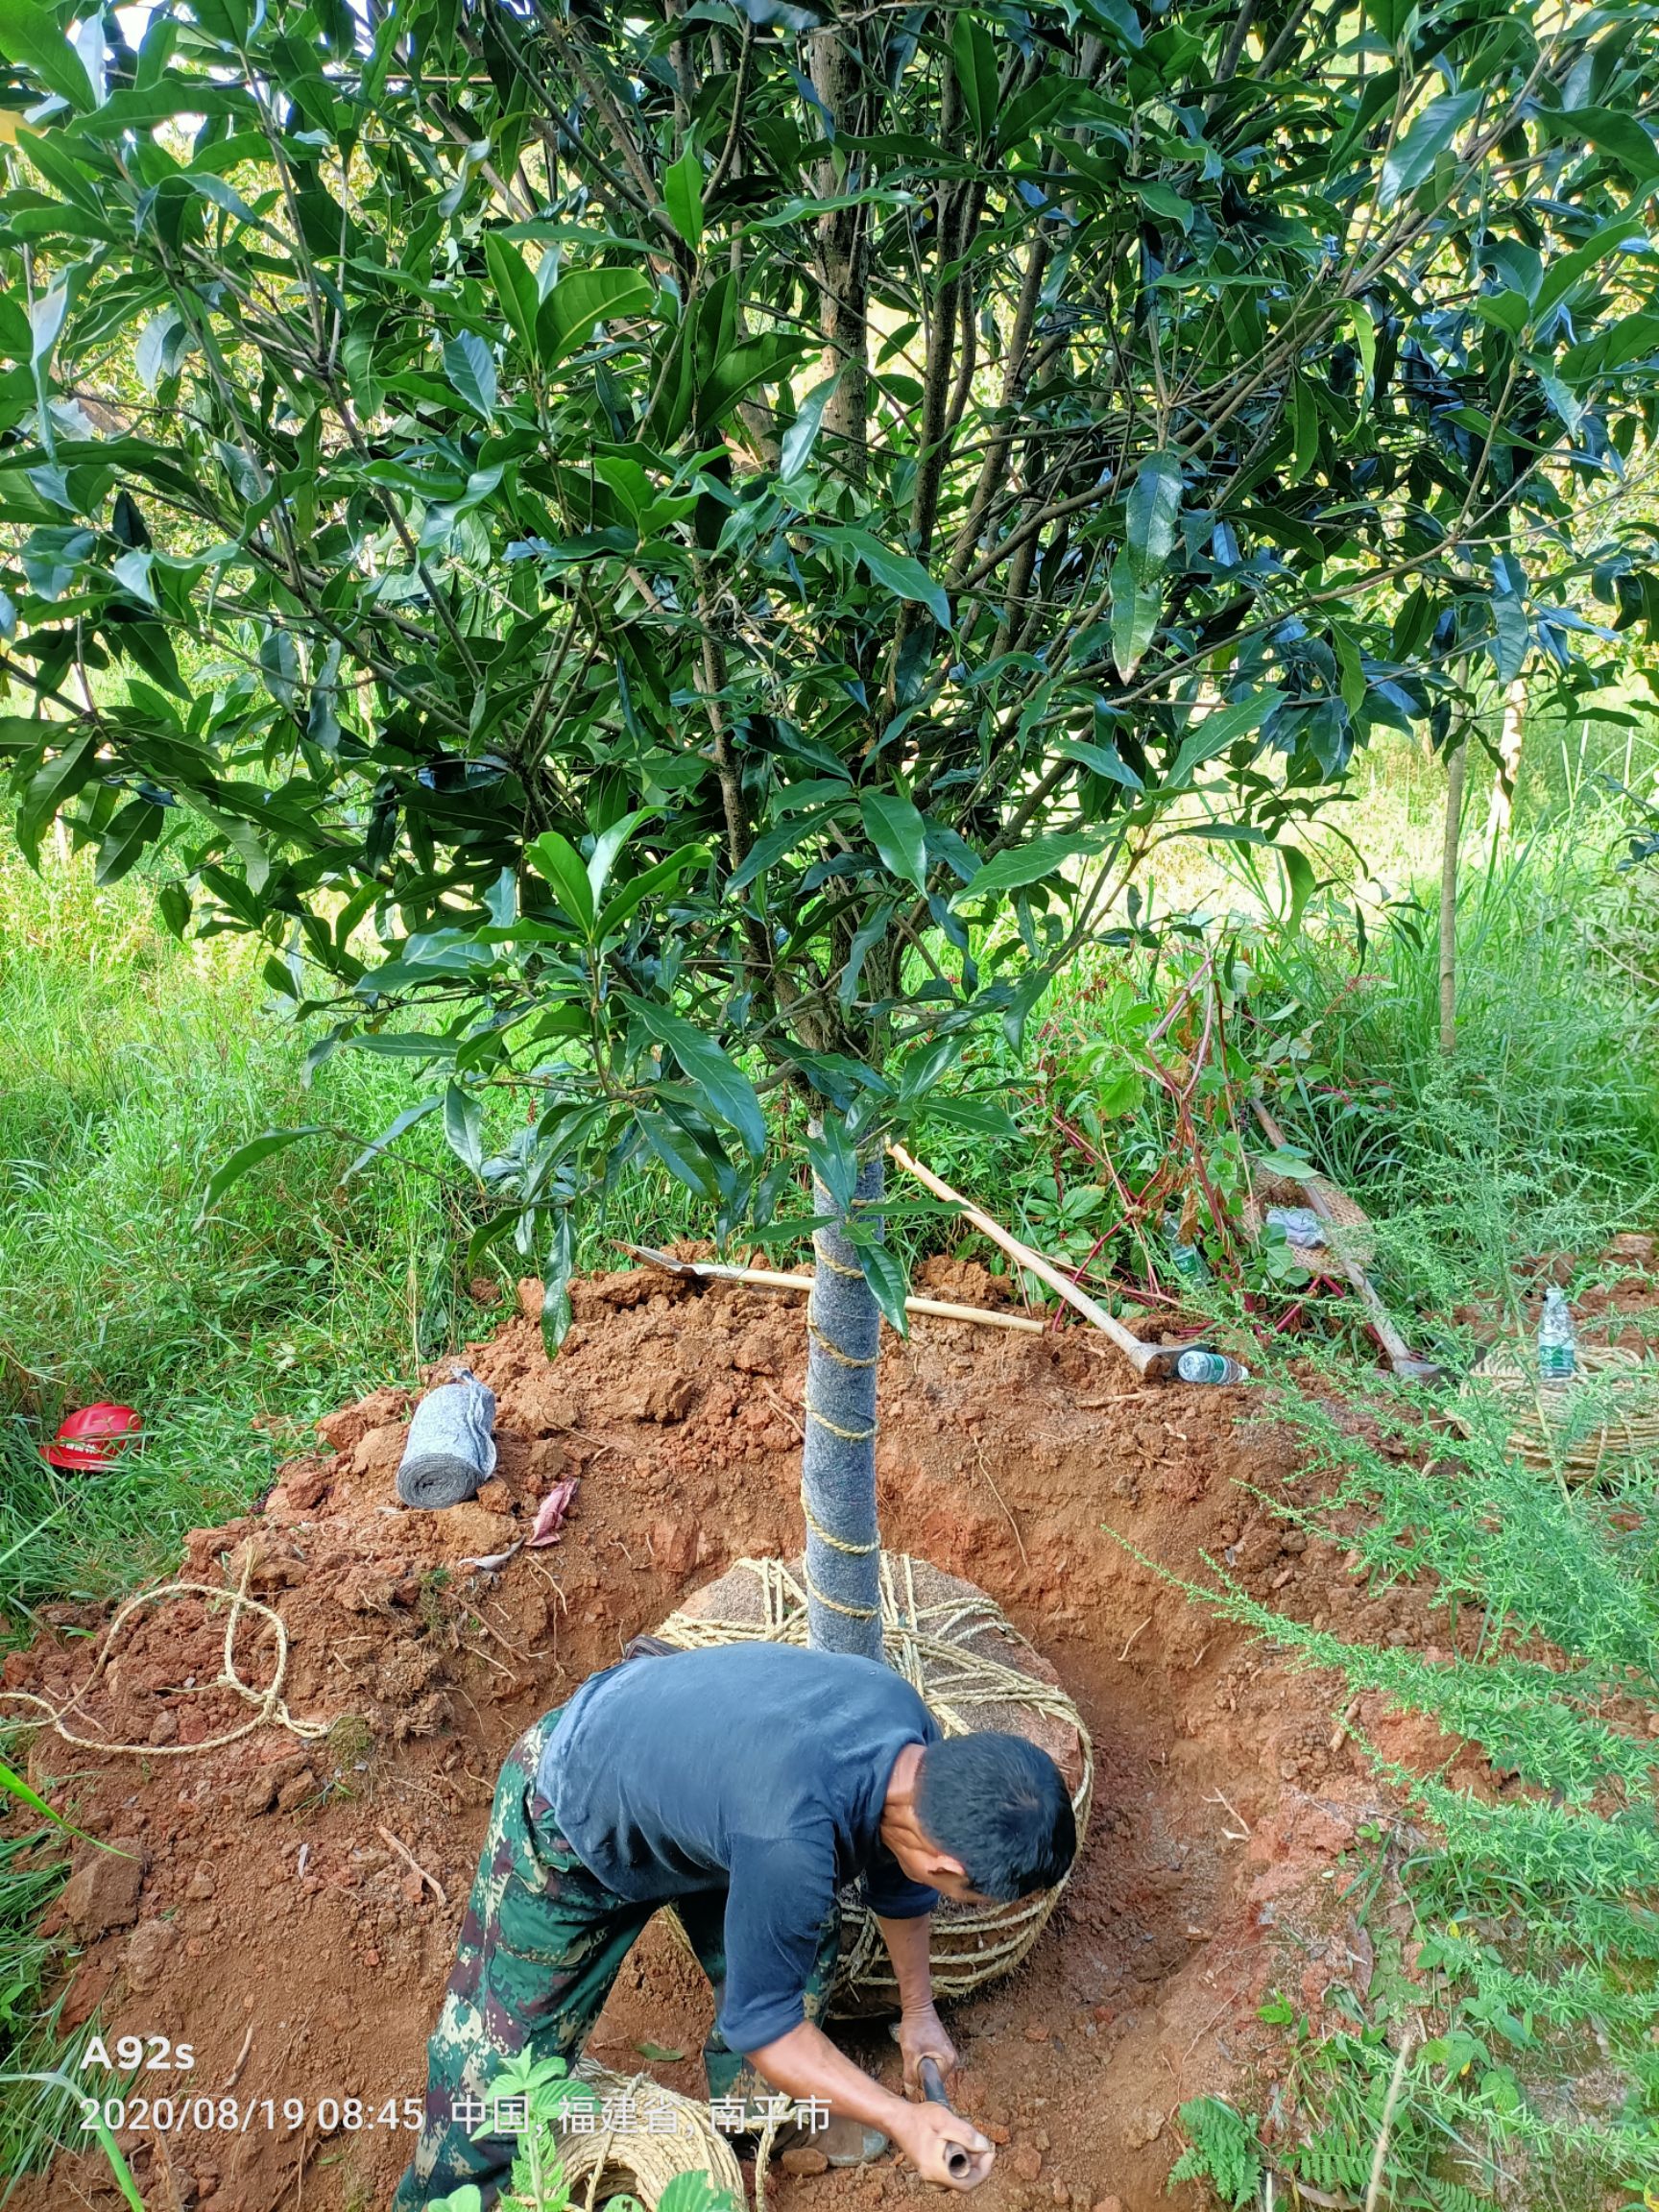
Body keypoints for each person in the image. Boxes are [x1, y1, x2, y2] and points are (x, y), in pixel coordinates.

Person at [394, 1639, 1077, 2208]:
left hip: (717, 1796)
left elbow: (899, 1886)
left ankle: (759, 2116)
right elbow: (766, 2024)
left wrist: (920, 2012)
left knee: (800, 1942)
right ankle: (439, 2198)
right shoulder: (791, 1843)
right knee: (500, 2066)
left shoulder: (911, 1742)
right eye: (972, 1897)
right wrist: (905, 2121)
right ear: (947, 1860)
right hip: (574, 1807)